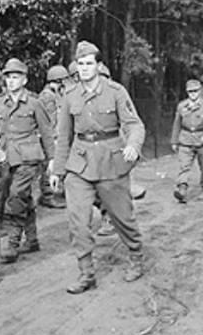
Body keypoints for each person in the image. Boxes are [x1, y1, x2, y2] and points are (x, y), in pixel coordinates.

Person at [50, 40, 145, 294]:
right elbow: (64, 136)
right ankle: (86, 273)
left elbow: (135, 124)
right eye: (80, 64)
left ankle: (135, 254)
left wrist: (133, 145)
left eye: (89, 63)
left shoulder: (115, 91)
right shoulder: (70, 96)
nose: (84, 68)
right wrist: (58, 171)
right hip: (79, 164)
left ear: (98, 65)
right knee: (78, 221)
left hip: (111, 162)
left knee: (122, 217)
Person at [0, 58, 55, 263]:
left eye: (15, 77)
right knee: (22, 197)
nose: (11, 81)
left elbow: (46, 133)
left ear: (24, 80)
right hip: (5, 157)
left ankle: (12, 242)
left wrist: (53, 160)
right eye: (8, 77)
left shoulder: (35, 103)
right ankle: (33, 239)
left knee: (16, 196)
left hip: (28, 157)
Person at [170, 79, 203, 203]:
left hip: (201, 140)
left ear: (200, 91)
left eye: (195, 91)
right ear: (187, 92)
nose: (193, 94)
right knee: (183, 166)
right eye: (190, 91)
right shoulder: (181, 106)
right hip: (185, 139)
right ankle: (182, 189)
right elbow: (177, 124)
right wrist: (174, 141)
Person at [37, 64, 69, 209]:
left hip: (56, 135)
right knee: (48, 167)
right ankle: (47, 196)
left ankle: (57, 191)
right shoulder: (47, 97)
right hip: (49, 136)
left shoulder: (56, 95)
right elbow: (50, 120)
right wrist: (54, 137)